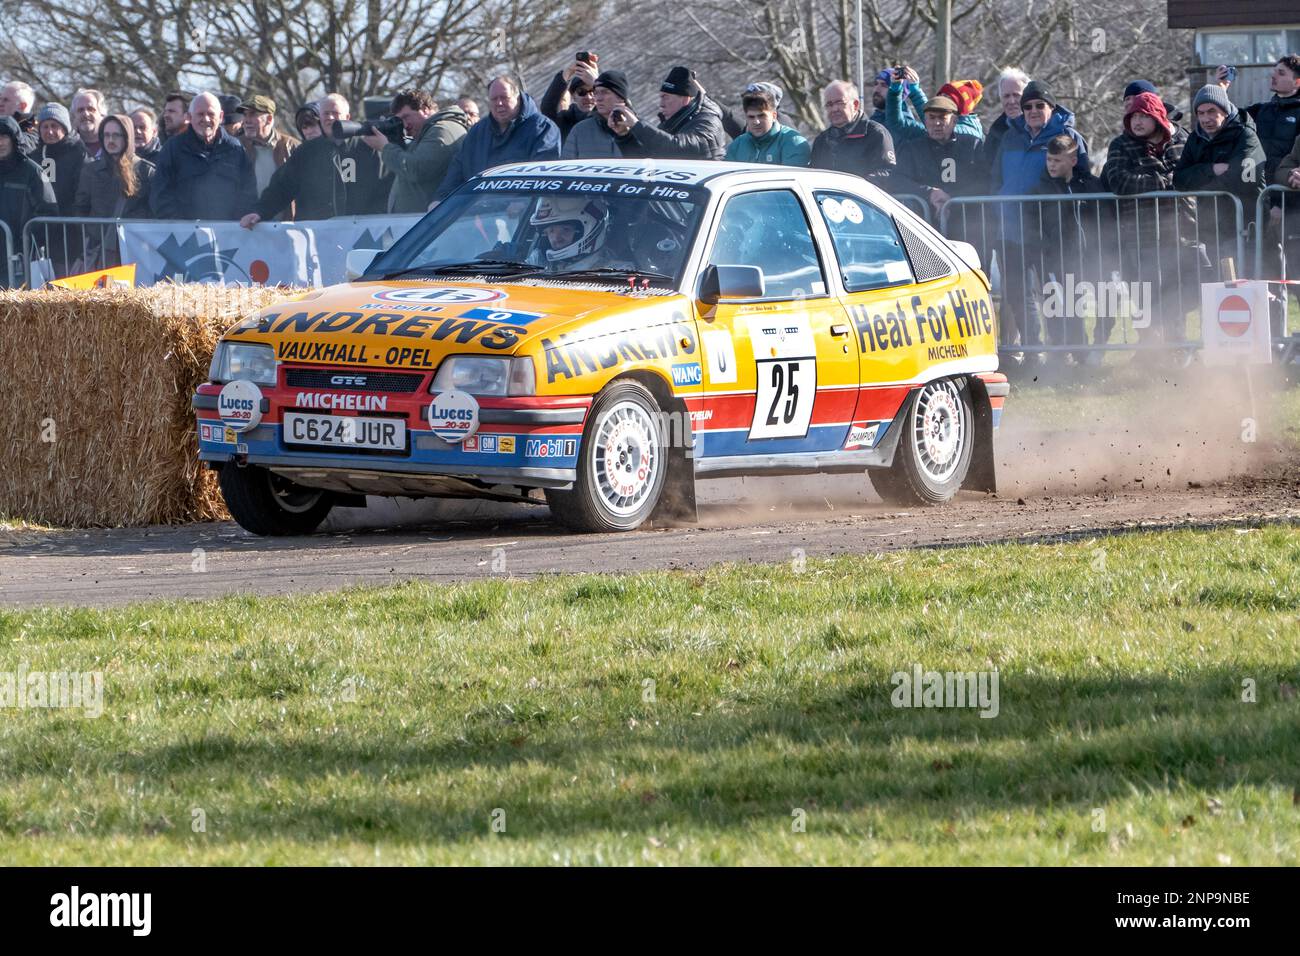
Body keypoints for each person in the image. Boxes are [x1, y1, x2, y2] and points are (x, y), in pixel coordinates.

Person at [992, 80, 1089, 360]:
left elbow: (1081, 179)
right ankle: (1034, 354)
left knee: (1055, 297)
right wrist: (996, 205)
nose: (1033, 111)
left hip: (1050, 233)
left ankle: (1065, 355)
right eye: (1028, 107)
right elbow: (995, 177)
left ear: (1051, 107)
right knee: (1019, 297)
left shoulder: (1067, 136)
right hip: (1010, 230)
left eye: (1039, 105)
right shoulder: (1010, 137)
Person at [1102, 91, 1201, 351]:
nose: (1136, 121)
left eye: (1143, 116)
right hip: (1140, 235)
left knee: (1177, 294)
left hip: (1181, 231)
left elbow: (1190, 176)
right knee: (1146, 298)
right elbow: (1119, 181)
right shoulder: (1121, 144)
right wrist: (1161, 183)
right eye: (1132, 116)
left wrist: (1168, 182)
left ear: (1157, 116)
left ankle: (1179, 351)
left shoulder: (1183, 139)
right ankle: (1152, 355)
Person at [1173, 84, 1266, 275]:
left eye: (1211, 112)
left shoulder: (1246, 135)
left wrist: (1199, 183)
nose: (1206, 119)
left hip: (1246, 227)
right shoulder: (1195, 139)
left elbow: (1243, 180)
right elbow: (1180, 180)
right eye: (1200, 113)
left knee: (1250, 288)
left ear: (1224, 110)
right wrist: (1211, 169)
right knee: (1222, 291)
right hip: (1211, 229)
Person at [433, 76, 560, 201]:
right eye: (494, 99)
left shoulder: (542, 128)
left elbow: (543, 177)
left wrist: (522, 203)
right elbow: (458, 169)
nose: (499, 103)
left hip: (520, 213)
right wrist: (439, 200)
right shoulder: (477, 132)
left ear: (518, 97)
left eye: (504, 98)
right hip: (477, 214)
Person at [150, 91, 257, 220]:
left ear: (221, 116)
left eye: (211, 114)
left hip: (227, 235)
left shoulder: (236, 150)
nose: (206, 119)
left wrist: (233, 226)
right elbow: (160, 196)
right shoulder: (172, 149)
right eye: (200, 114)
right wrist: (183, 228)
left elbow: (248, 193)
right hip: (185, 236)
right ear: (189, 117)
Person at [363, 89, 469, 213]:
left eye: (406, 117)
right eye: (399, 120)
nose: (404, 124)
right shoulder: (426, 132)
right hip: (419, 222)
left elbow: (416, 169)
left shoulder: (442, 130)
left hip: (428, 223)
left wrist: (385, 148)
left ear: (425, 109)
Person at [72, 114, 155, 268]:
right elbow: (81, 208)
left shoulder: (146, 171)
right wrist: (93, 234)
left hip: (136, 251)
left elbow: (154, 213)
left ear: (127, 137)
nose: (110, 140)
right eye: (106, 135)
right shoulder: (91, 170)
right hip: (100, 251)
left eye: (116, 135)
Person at [606, 66, 727, 160]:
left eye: (666, 97)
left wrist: (637, 125)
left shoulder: (708, 121)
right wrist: (624, 136)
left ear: (685, 99)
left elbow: (679, 150)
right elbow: (646, 162)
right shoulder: (673, 123)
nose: (661, 104)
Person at [892, 94, 986, 215]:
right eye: (931, 118)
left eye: (942, 118)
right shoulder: (912, 148)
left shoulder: (973, 145)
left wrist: (951, 198)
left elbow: (984, 180)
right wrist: (929, 193)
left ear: (954, 121)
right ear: (925, 121)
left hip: (967, 220)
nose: (937, 123)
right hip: (924, 220)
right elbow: (897, 179)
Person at [0, 115, 57, 283]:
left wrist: (25, 242)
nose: (0, 143)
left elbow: (48, 213)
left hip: (21, 258)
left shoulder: (32, 172)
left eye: (4, 137)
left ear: (14, 139)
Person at [809, 80, 896, 186]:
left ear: (855, 105)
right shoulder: (822, 140)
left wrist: (854, 187)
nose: (834, 109)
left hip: (864, 199)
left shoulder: (876, 134)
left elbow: (887, 173)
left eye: (840, 103)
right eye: (829, 104)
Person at [528, 196, 632, 273]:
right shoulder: (537, 265)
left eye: (565, 229)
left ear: (590, 228)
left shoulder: (618, 274)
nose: (556, 237)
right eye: (551, 231)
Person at [884, 66, 983, 143]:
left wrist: (915, 91)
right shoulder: (934, 131)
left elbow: (945, 128)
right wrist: (895, 90)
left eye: (948, 99)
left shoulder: (971, 132)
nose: (941, 102)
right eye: (940, 97)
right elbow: (897, 124)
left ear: (960, 109)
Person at [724, 86, 810, 165]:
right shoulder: (737, 145)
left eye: (761, 116)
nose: (756, 122)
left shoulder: (793, 142)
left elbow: (791, 179)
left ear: (774, 116)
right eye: (751, 117)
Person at [562, 70, 633, 159]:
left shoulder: (639, 130)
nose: (598, 98)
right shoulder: (580, 130)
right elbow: (567, 167)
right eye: (596, 93)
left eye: (605, 92)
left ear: (621, 97)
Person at [238, 95, 298, 197]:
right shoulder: (237, 147)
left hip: (286, 213)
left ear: (269, 119)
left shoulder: (292, 146)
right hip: (248, 213)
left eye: (252, 114)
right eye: (245, 115)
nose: (246, 120)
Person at [32, 104, 85, 216]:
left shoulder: (79, 153)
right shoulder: (35, 156)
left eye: (54, 126)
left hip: (71, 224)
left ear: (65, 128)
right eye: (45, 127)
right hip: (42, 223)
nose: (49, 131)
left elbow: (83, 193)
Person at [540, 56, 598, 141]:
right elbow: (548, 108)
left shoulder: (607, 116)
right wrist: (568, 71)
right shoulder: (566, 119)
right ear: (573, 96)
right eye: (581, 92)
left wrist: (596, 82)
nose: (588, 97)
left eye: (593, 91)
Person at [985, 67, 1028, 174]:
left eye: (1016, 95)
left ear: (1027, 96)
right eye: (1006, 96)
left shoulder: (1041, 129)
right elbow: (987, 173)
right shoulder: (995, 132)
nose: (1011, 101)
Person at [0, 80, 39, 155]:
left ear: (22, 106)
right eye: (0, 99)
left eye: (5, 100)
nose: (0, 103)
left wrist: (7, 123)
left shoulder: (38, 130)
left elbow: (24, 147)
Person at [71, 89, 106, 158]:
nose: (86, 114)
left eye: (91, 109)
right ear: (74, 116)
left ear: (101, 114)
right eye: (80, 110)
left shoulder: (113, 144)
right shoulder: (68, 148)